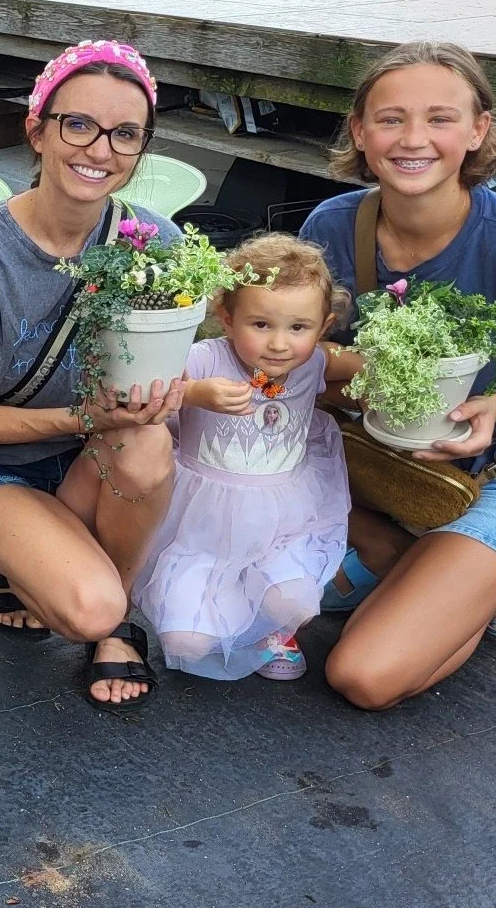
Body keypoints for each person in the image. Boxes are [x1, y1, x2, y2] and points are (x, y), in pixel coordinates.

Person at [0, 40, 184, 706]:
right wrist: (89, 418)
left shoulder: (155, 243)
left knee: (148, 443)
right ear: (37, 129)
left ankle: (113, 615)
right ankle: (34, 571)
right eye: (78, 124)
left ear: (141, 148)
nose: (100, 150)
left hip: (89, 458)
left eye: (125, 134)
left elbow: (164, 377)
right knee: (86, 607)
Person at [302, 41, 496, 710]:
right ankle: (410, 552)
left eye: (440, 118)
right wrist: (358, 370)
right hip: (384, 457)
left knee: (364, 676)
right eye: (391, 119)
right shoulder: (332, 226)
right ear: (361, 132)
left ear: (479, 129)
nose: (413, 139)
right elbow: (307, 360)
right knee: (269, 585)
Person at [131, 234, 349, 680]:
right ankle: (211, 614)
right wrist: (194, 393)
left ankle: (273, 630)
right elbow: (150, 393)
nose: (280, 344)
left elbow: (370, 370)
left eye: (299, 327)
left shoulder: (317, 363)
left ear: (323, 326)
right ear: (227, 319)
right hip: (205, 514)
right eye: (261, 325)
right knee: (187, 643)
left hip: (284, 511)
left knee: (293, 600)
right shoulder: (205, 358)